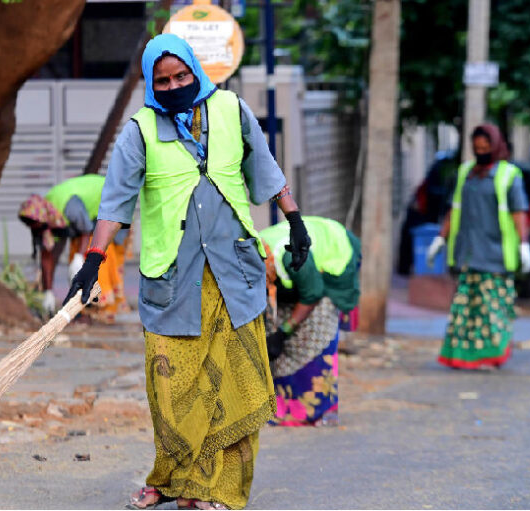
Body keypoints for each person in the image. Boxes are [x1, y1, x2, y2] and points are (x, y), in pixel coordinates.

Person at [64, 34, 311, 510]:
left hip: (235, 272)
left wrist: (295, 221)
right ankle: (174, 480)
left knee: (236, 382)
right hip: (173, 277)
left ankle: (217, 492)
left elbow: (267, 169)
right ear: (152, 85)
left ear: (196, 71)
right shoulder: (139, 131)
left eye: (181, 76)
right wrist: (93, 262)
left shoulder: (231, 110)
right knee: (173, 386)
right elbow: (114, 204)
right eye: (163, 80)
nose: (174, 84)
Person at [427, 123, 530, 370]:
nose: (481, 150)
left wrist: (524, 245)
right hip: (468, 253)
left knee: (491, 309)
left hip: (496, 255)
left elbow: (519, 213)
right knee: (465, 310)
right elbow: (454, 209)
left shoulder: (509, 175)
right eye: (477, 147)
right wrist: (440, 238)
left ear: (496, 146)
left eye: (486, 146)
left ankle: (492, 355)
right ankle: (464, 356)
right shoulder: (466, 173)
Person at [260, 216, 361, 427]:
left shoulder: (290, 256)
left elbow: (312, 295)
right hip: (298, 272)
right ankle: (281, 405)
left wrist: (283, 332)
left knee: (318, 326)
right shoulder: (256, 254)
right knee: (275, 325)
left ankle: (323, 410)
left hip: (334, 253)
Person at [18, 174, 131, 318]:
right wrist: (48, 292)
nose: (34, 228)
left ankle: (104, 309)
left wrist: (79, 258)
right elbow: (47, 256)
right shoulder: (47, 218)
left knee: (100, 256)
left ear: (40, 218)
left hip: (115, 204)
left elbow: (85, 228)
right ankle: (86, 307)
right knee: (80, 256)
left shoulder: (68, 206)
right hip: (93, 220)